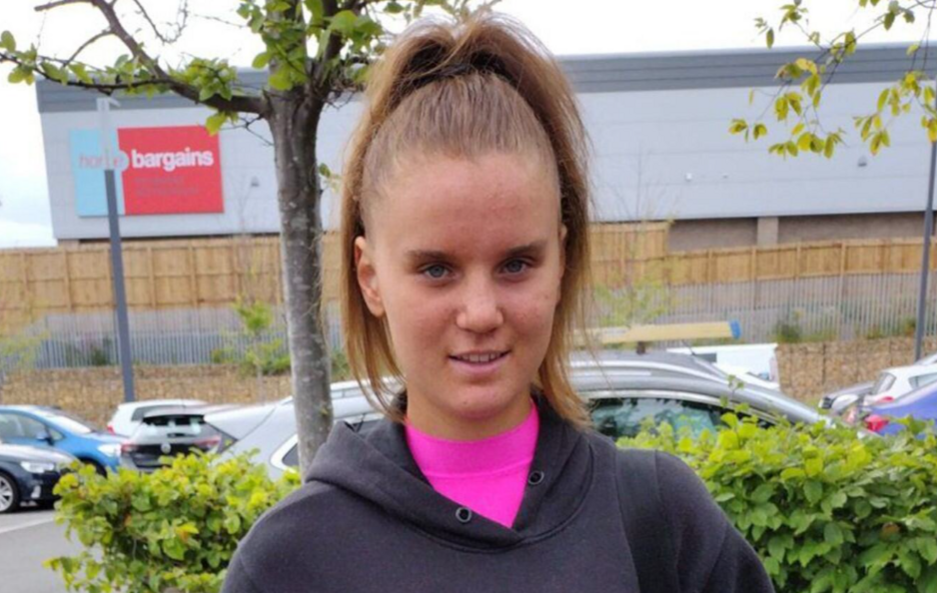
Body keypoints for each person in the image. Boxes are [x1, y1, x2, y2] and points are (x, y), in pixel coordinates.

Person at [222, 13, 774, 593]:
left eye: (516, 264)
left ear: (560, 262)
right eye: (437, 269)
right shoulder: (290, 562)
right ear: (370, 277)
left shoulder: (662, 522)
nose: (481, 313)